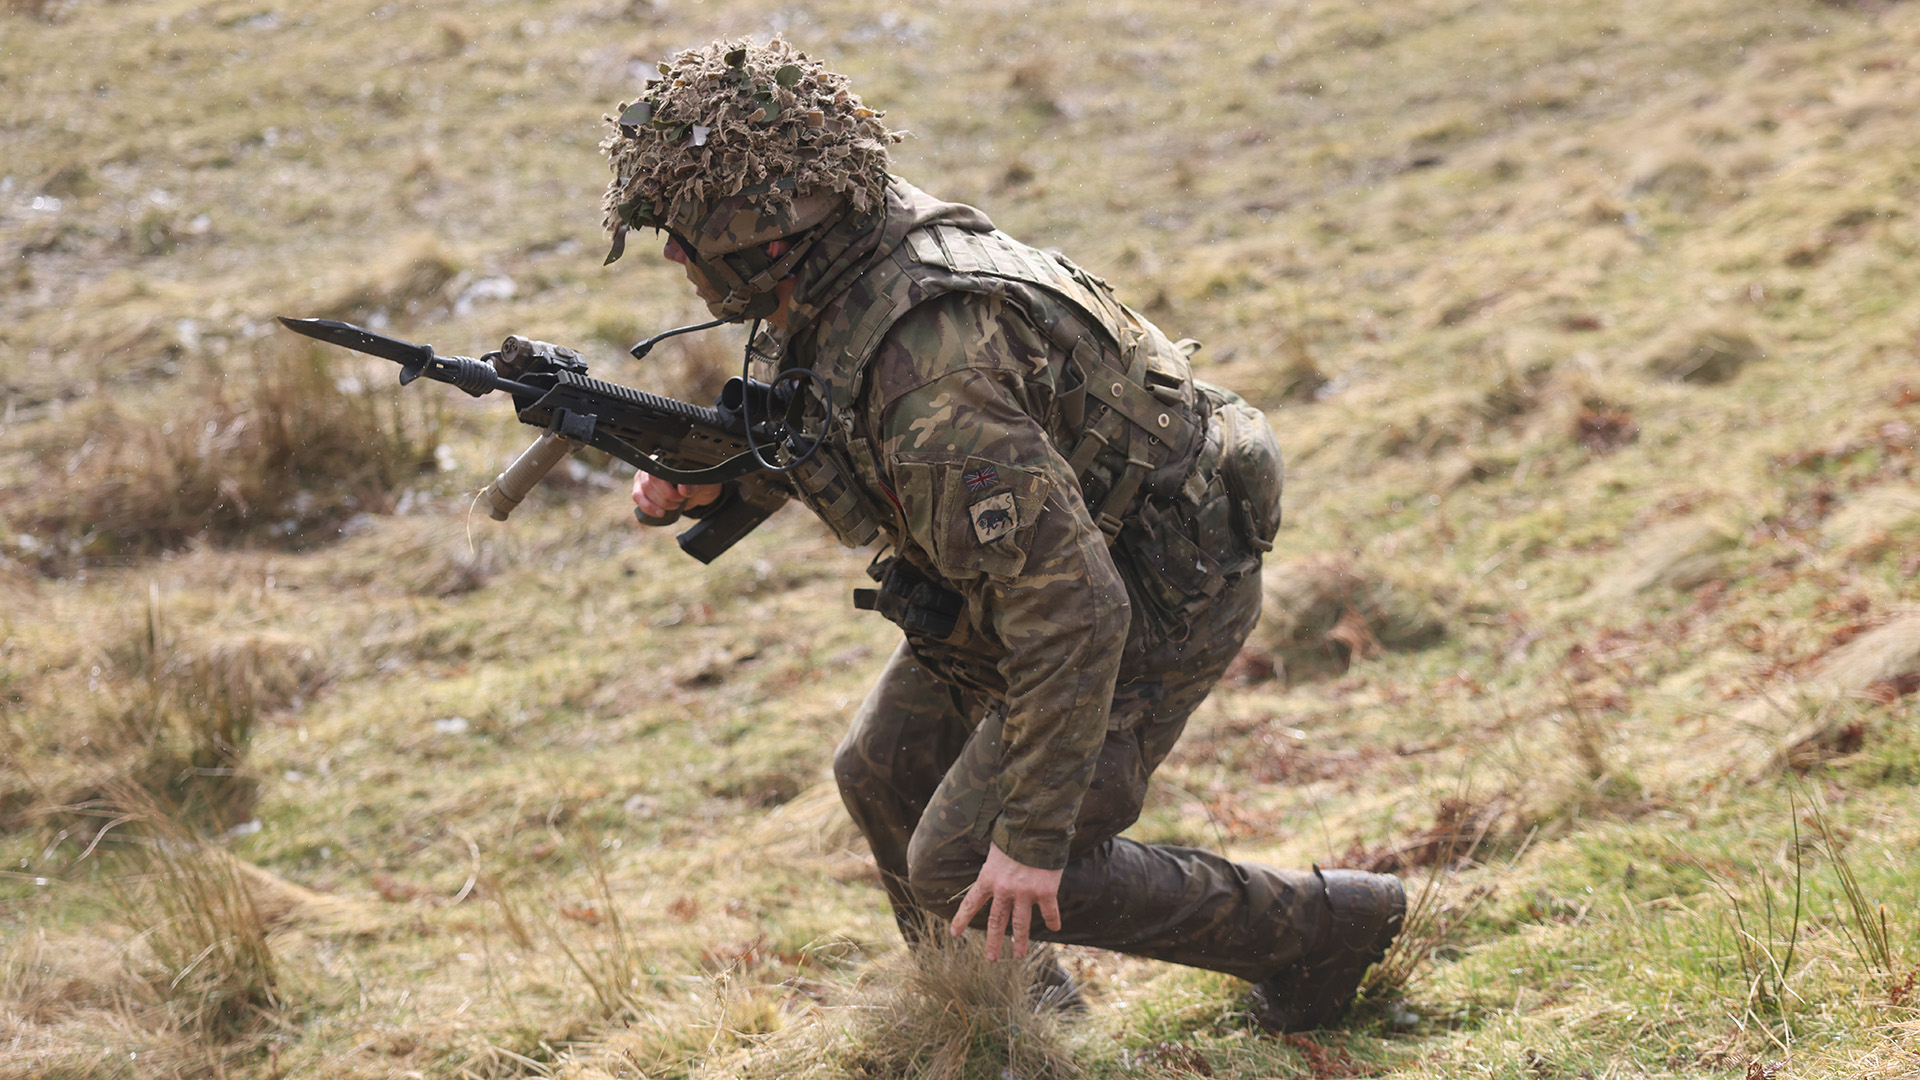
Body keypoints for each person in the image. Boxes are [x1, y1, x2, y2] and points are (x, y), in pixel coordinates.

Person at [605, 38, 1404, 1032]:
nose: (675, 259)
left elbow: (1074, 612)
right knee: (882, 769)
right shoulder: (849, 242)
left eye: (686, 238)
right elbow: (832, 417)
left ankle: (1326, 928)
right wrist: (713, 472)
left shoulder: (933, 371)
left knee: (969, 859)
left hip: (1158, 586)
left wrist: (1032, 839)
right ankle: (1017, 1021)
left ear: (764, 236)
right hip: (1069, 548)